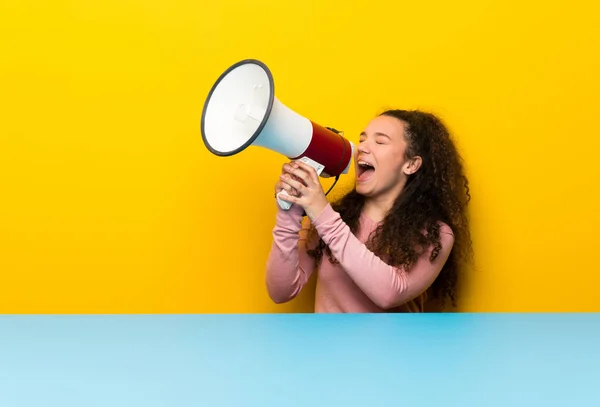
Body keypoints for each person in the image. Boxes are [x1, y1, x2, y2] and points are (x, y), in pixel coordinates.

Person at [265, 109, 472, 312]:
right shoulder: (331, 218)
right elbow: (281, 292)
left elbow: (390, 293)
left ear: (411, 164)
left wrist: (322, 214)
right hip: (330, 346)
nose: (362, 147)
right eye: (362, 139)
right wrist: (289, 212)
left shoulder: (436, 234)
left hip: (395, 347)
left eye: (380, 141)